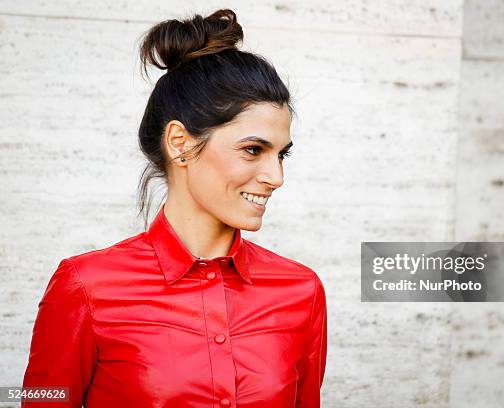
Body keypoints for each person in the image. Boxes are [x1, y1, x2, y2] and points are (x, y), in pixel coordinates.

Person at [21, 9, 327, 408]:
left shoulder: (301, 291)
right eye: (253, 150)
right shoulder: (83, 288)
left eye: (281, 154)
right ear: (180, 142)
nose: (276, 176)